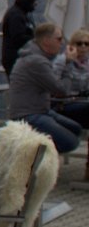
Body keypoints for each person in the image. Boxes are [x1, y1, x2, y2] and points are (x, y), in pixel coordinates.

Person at [7, 23, 82, 153]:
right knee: (70, 142)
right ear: (46, 41)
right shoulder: (37, 61)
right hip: (28, 115)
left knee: (76, 129)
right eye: (59, 39)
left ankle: (42, 154)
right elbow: (62, 90)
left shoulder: (36, 56)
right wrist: (68, 63)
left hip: (42, 110)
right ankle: (35, 156)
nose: (62, 43)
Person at [1, 0, 43, 77]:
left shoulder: (23, 14)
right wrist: (37, 39)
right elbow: (18, 38)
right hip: (15, 59)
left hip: (21, 57)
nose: (36, 3)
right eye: (35, 0)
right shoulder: (16, 15)